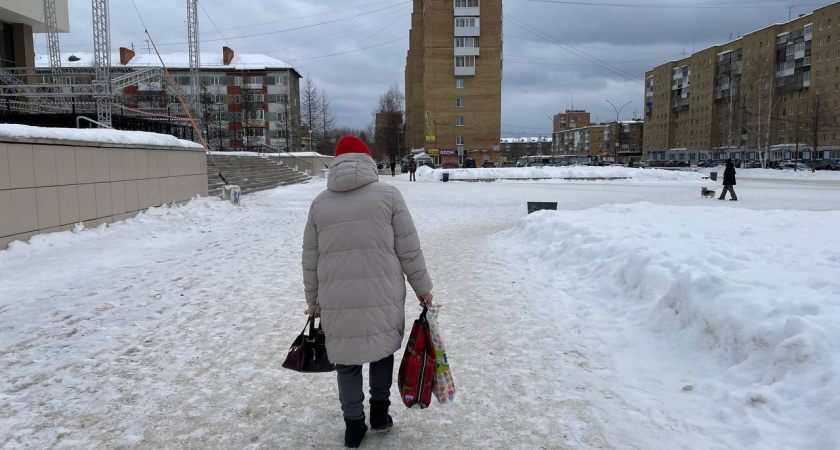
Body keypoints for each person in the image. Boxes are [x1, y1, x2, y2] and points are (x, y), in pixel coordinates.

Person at [302, 136, 434, 448]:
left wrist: (313, 299)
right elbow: (409, 248)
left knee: (346, 363)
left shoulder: (320, 203)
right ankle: (379, 414)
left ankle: (353, 425)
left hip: (337, 299)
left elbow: (310, 257)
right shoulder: (389, 195)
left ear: (335, 162)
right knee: (381, 352)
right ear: (367, 160)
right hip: (382, 293)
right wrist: (423, 289)